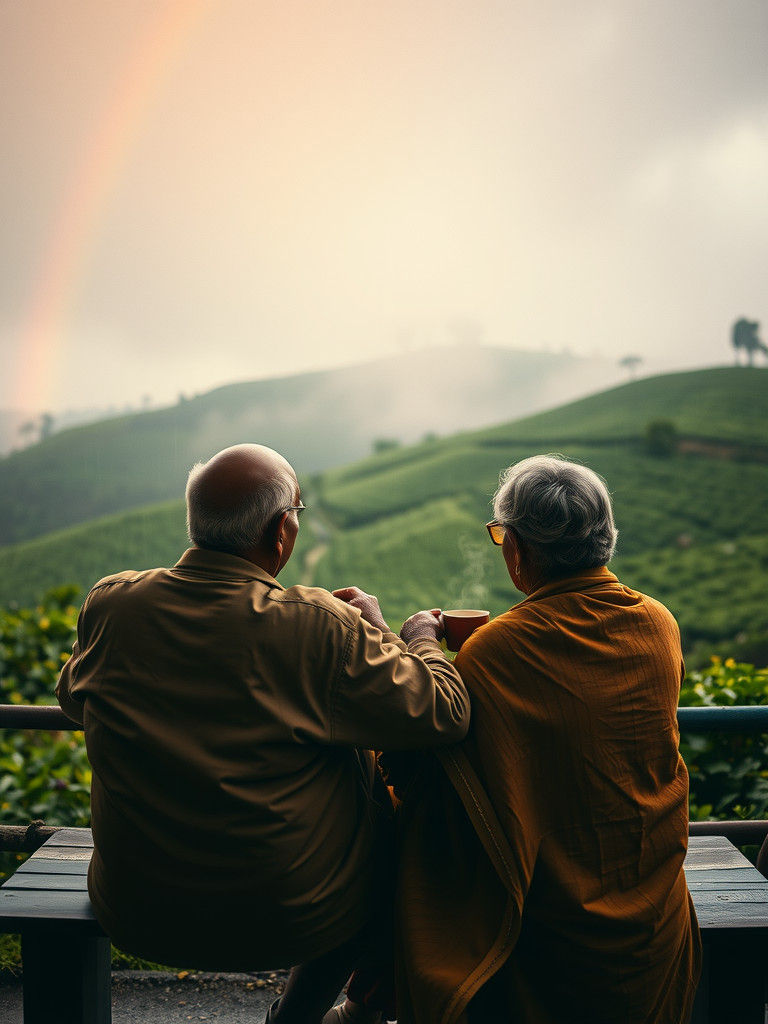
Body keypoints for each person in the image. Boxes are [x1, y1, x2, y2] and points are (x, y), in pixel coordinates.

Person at [56, 443, 468, 1024]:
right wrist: (407, 637)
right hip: (295, 917)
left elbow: (73, 701)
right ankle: (309, 1014)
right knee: (378, 795)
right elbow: (444, 711)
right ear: (282, 532)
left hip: (138, 909)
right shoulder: (320, 625)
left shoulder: (112, 605)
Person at [391, 455, 701, 1024]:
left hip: (544, 927)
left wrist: (422, 648)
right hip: (652, 920)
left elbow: (429, 773)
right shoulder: (658, 624)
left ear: (516, 548)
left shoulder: (497, 650)